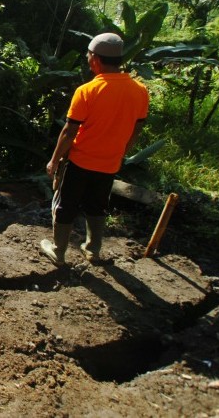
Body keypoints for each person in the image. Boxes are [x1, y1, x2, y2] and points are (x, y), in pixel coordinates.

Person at [41, 33, 150, 266]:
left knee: (65, 204)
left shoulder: (87, 90)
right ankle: (93, 249)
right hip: (110, 163)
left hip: (80, 161)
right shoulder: (140, 90)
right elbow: (136, 129)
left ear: (96, 59)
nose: (88, 60)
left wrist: (54, 160)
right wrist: (121, 153)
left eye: (89, 56)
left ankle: (58, 251)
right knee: (97, 205)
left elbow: (69, 132)